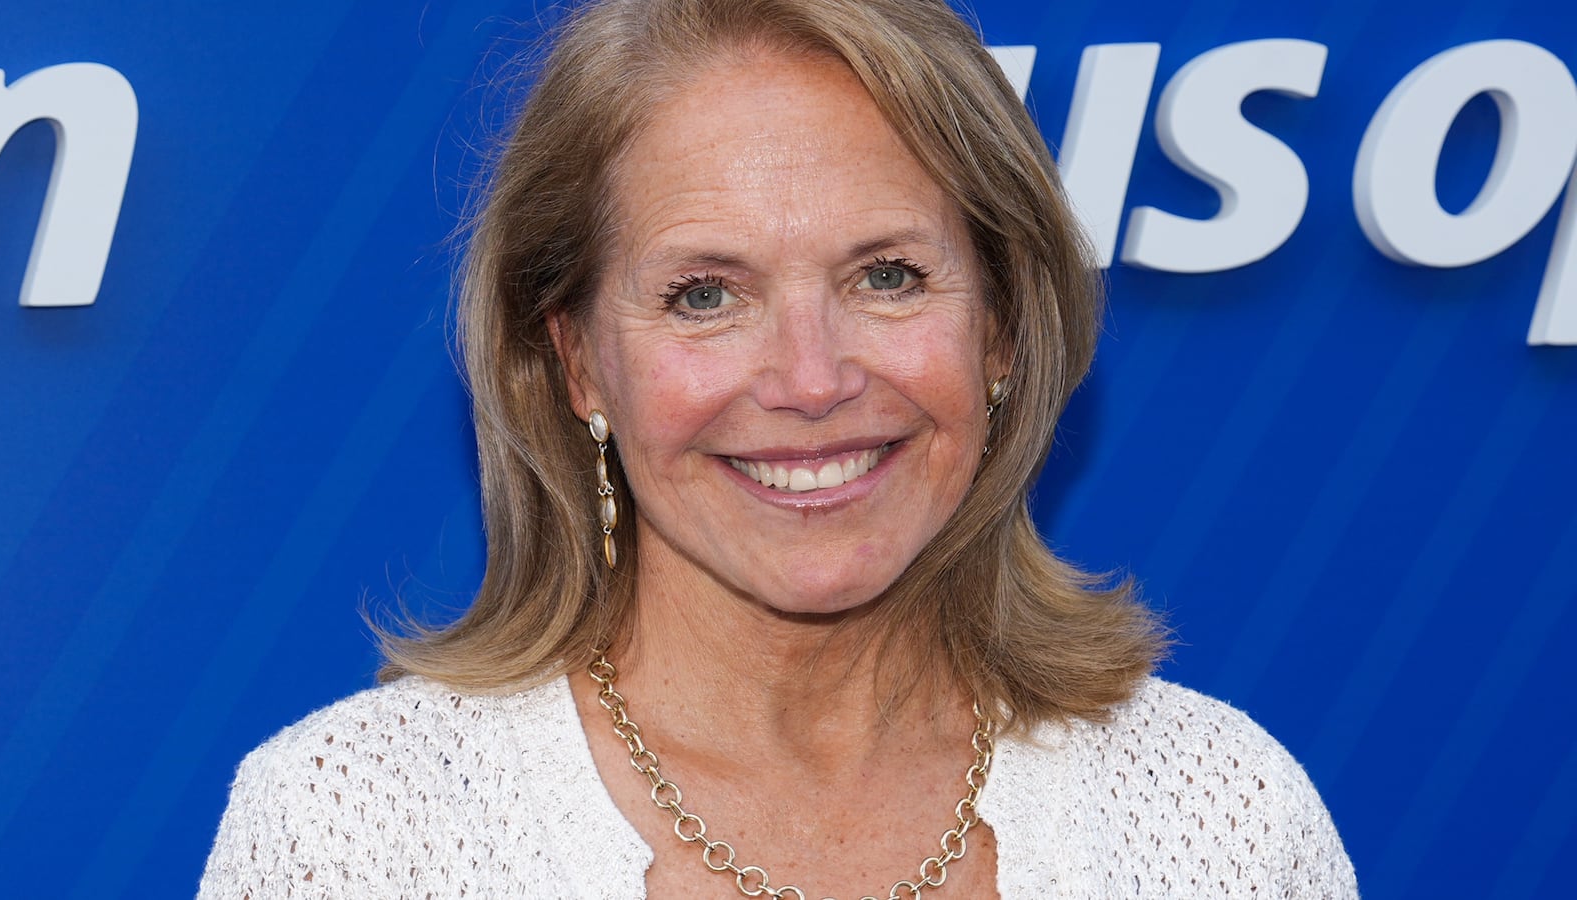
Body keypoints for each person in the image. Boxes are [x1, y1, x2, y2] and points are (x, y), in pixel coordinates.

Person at [199, 0, 1357, 896]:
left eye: (887, 276)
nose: (811, 380)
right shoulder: (354, 839)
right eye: (705, 295)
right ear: (576, 360)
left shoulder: (1216, 823)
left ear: (1001, 328)